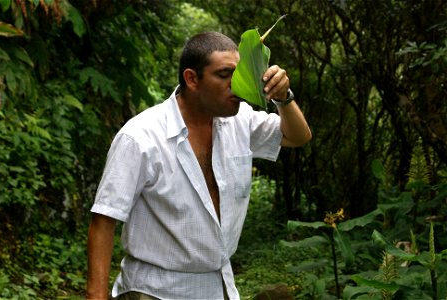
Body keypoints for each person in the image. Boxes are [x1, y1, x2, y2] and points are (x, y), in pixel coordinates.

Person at [86, 31, 311, 300]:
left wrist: (283, 96)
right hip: (152, 290)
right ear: (192, 79)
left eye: (240, 74)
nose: (236, 84)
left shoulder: (240, 122)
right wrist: (96, 296)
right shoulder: (140, 137)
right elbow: (104, 219)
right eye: (225, 74)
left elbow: (298, 136)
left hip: (218, 287)